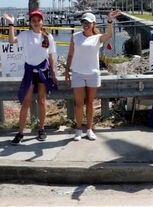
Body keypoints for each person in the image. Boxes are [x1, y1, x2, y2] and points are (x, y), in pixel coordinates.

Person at [3, 10, 58, 145]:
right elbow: (11, 40)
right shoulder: (25, 35)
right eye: (33, 20)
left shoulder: (48, 36)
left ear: (42, 21)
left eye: (38, 20)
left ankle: (41, 129)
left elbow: (51, 56)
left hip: (43, 71)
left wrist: (54, 73)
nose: (36, 22)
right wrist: (11, 24)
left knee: (42, 101)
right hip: (29, 71)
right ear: (30, 22)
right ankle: (21, 132)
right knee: (26, 102)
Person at [65, 10, 121, 141]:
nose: (86, 24)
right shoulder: (75, 36)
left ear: (94, 24)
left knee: (90, 103)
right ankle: (78, 129)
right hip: (77, 73)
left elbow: (109, 34)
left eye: (88, 22)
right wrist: (67, 71)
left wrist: (109, 20)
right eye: (84, 22)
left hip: (93, 74)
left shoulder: (98, 38)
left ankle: (89, 129)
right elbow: (70, 55)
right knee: (79, 104)